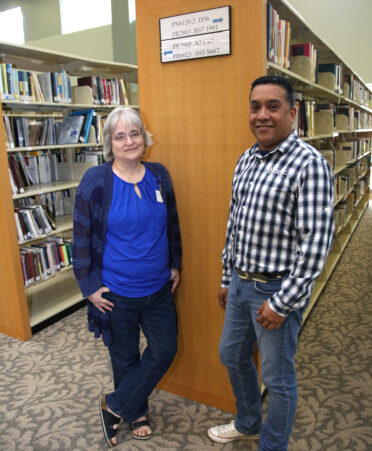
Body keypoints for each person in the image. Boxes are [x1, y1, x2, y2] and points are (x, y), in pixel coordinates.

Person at [207, 75, 334, 450]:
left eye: (272, 107)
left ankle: (273, 445)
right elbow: (235, 223)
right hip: (241, 283)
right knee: (231, 354)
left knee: (278, 379)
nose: (261, 115)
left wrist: (283, 303)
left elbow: (315, 243)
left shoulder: (309, 164)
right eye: (255, 106)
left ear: (293, 113)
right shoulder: (247, 158)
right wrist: (227, 276)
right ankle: (248, 421)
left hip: (277, 290)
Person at [72, 106, 182, 447]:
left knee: (165, 349)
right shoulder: (97, 180)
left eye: (134, 133)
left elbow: (173, 225)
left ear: (144, 138)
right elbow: (80, 236)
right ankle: (136, 412)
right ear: (110, 143)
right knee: (124, 357)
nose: (129, 141)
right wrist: (88, 287)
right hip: (115, 291)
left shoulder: (159, 175)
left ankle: (115, 404)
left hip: (158, 287)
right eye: (120, 136)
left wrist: (175, 263)